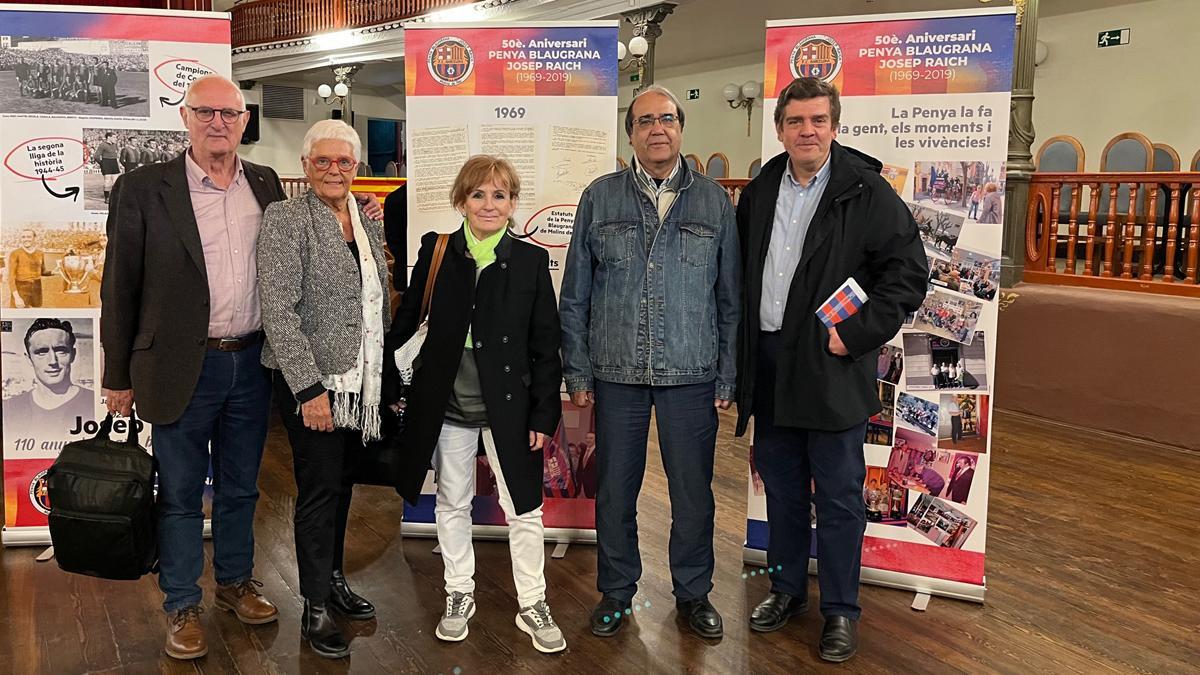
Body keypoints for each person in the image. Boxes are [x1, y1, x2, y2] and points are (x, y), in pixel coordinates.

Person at [100, 74, 383, 661]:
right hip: (182, 365)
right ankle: (181, 603)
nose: (218, 123)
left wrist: (360, 210)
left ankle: (233, 583)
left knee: (240, 488)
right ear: (186, 117)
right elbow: (118, 287)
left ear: (244, 122)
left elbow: (303, 253)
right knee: (178, 494)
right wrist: (117, 375)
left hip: (252, 364)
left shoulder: (264, 183)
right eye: (205, 112)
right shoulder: (143, 188)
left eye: (229, 114)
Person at [733, 77, 927, 662]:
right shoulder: (764, 184)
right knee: (785, 492)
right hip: (769, 363)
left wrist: (858, 335)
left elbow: (907, 272)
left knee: (840, 498)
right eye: (796, 122)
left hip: (829, 365)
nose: (807, 131)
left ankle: (841, 610)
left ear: (835, 125)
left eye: (818, 120)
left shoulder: (864, 189)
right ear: (780, 129)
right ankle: (788, 590)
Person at [559, 84, 740, 640]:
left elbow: (730, 298)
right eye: (644, 122)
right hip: (616, 374)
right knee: (615, 489)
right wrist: (578, 370)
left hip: (692, 373)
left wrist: (728, 372)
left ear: (681, 129)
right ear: (631, 133)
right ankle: (616, 593)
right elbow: (575, 295)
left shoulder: (714, 202)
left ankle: (694, 593)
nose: (656, 129)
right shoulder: (600, 197)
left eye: (666, 119)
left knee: (693, 493)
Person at [385, 155, 565, 653]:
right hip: (446, 403)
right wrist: (392, 388)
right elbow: (407, 324)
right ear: (461, 200)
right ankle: (458, 591)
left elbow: (546, 346)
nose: (489, 204)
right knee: (452, 500)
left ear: (512, 204)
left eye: (500, 195)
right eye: (479, 194)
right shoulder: (437, 251)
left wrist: (544, 414)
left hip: (510, 407)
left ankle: (533, 601)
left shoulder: (529, 262)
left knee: (524, 508)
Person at [256, 119, 388, 659]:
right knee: (317, 491)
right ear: (307, 166)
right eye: (323, 161)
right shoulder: (286, 218)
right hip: (313, 384)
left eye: (346, 162)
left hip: (362, 382)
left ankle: (332, 578)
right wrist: (309, 390)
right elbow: (278, 311)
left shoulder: (365, 217)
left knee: (342, 485)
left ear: (358, 168)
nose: (335, 170)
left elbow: (378, 292)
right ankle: (312, 605)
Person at [3, 319, 97, 441]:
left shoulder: (93, 402)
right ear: (28, 359)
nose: (53, 361)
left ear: (73, 354)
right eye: (41, 352)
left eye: (61, 351)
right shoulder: (9, 409)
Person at [9, 229, 45, 308]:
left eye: (29, 237)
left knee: (35, 314)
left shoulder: (40, 253)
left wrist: (54, 272)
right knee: (19, 315)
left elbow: (43, 272)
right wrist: (17, 297)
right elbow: (11, 277)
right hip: (21, 289)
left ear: (34, 238)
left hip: (37, 288)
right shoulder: (15, 253)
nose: (26, 239)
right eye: (23, 237)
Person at [94, 132, 121, 203]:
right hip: (106, 163)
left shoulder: (115, 145)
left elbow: (116, 155)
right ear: (109, 137)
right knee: (107, 181)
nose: (116, 139)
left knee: (116, 182)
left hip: (114, 163)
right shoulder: (102, 145)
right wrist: (102, 164)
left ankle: (115, 197)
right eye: (114, 137)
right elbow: (96, 156)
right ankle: (107, 198)